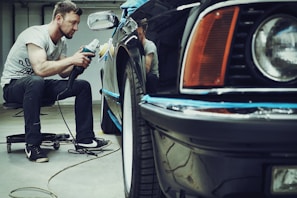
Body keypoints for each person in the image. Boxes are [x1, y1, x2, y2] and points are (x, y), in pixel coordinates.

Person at [0, 0, 109, 163]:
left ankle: (84, 139)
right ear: (59, 18)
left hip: (37, 86)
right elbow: (41, 69)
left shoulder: (61, 42)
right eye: (73, 23)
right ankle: (32, 145)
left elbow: (64, 73)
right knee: (35, 81)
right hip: (13, 87)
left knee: (82, 86)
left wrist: (78, 63)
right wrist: (72, 59)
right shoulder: (35, 34)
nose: (76, 28)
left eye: (77, 24)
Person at [136, 20, 159, 93]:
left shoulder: (149, 46)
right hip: (145, 77)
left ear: (144, 33)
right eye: (137, 35)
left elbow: (146, 69)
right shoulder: (137, 46)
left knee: (150, 77)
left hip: (152, 77)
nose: (138, 37)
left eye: (140, 34)